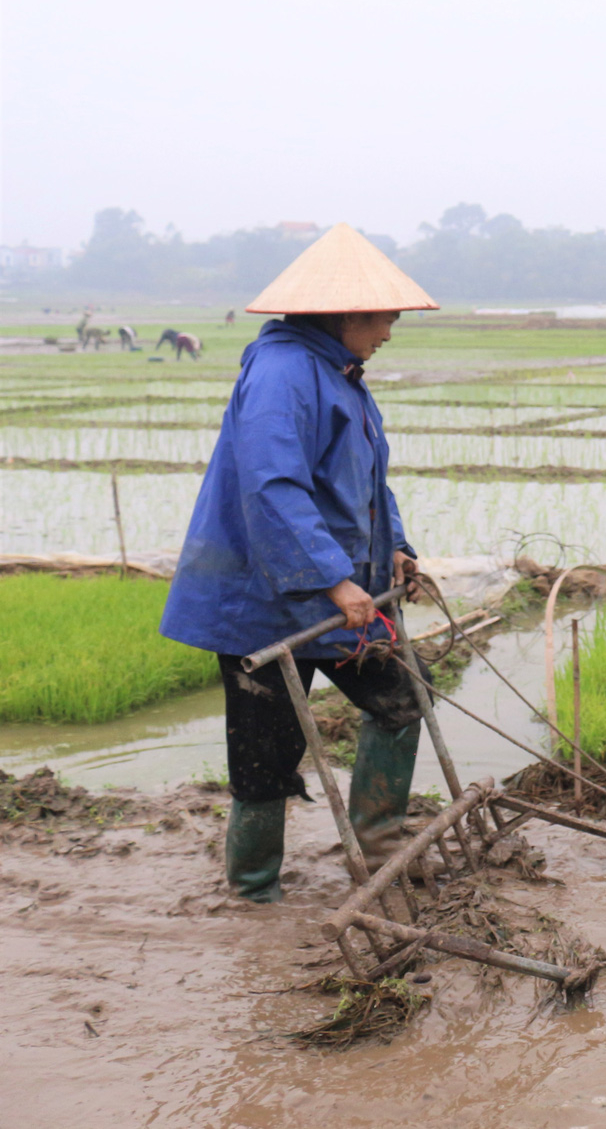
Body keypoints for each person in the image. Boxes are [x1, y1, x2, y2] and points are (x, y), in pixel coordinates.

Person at [159, 223, 440, 903]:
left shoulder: (341, 376)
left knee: (405, 696)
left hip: (344, 597)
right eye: (384, 319)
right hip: (264, 604)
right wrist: (334, 577)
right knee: (265, 754)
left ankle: (377, 845)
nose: (389, 333)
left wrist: (395, 547)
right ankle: (254, 892)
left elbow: (366, 484)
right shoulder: (284, 373)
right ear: (347, 314)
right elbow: (272, 485)